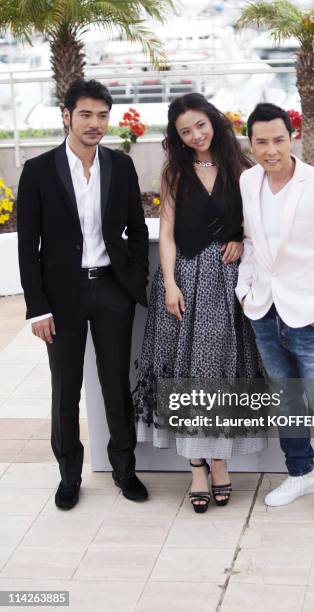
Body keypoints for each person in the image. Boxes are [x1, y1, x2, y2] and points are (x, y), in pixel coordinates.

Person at [17, 79, 149, 510]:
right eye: (86, 115)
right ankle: (69, 476)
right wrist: (37, 307)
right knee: (65, 389)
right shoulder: (38, 170)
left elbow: (137, 226)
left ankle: (125, 470)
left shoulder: (120, 165)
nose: (95, 124)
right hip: (62, 295)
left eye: (102, 115)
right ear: (67, 116)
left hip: (112, 289)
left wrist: (136, 283)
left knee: (116, 383)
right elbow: (27, 243)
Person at [134, 93, 266, 513]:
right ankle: (196, 467)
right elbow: (167, 231)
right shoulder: (175, 171)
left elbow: (260, 221)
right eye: (185, 131)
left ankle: (221, 462)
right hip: (186, 281)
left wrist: (240, 238)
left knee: (220, 373)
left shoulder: (241, 167)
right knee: (187, 373)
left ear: (214, 121)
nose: (195, 136)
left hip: (228, 285)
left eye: (200, 126)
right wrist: (170, 283)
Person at [236, 103, 314, 522]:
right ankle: (300, 473)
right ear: (250, 144)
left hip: (310, 315)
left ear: (293, 138)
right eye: (261, 142)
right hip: (264, 310)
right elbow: (252, 242)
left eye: (278, 140)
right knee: (285, 400)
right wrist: (245, 290)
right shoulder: (248, 180)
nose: (270, 150)